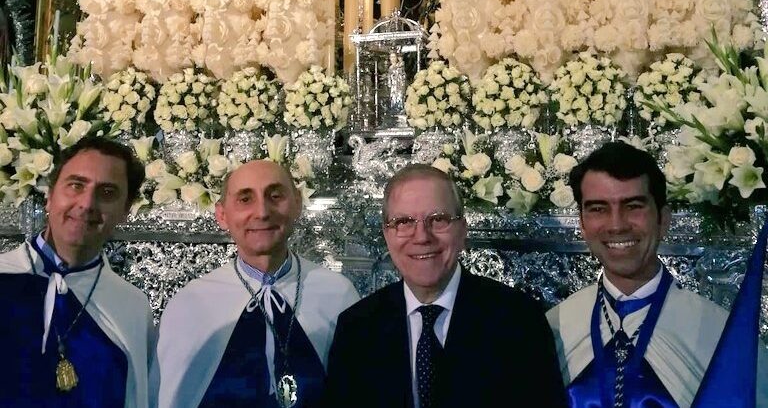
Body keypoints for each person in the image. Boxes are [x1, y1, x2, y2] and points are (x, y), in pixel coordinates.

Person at [546, 141, 768, 407]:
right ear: (582, 225)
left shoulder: (717, 333)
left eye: (633, 206)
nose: (616, 225)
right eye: (598, 209)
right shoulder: (556, 328)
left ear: (663, 219)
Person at [324, 163, 567, 407]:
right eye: (404, 222)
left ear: (463, 230)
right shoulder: (356, 328)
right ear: (387, 235)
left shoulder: (519, 319)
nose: (422, 237)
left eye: (438, 220)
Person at [154, 158, 359, 408]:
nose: (262, 212)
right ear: (222, 215)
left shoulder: (337, 293)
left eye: (275, 196)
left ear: (297, 204)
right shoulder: (190, 304)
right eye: (245, 199)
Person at [0, 136, 155, 407]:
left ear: (125, 212)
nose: (87, 204)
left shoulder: (131, 306)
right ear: (49, 196)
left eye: (107, 192)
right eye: (76, 185)